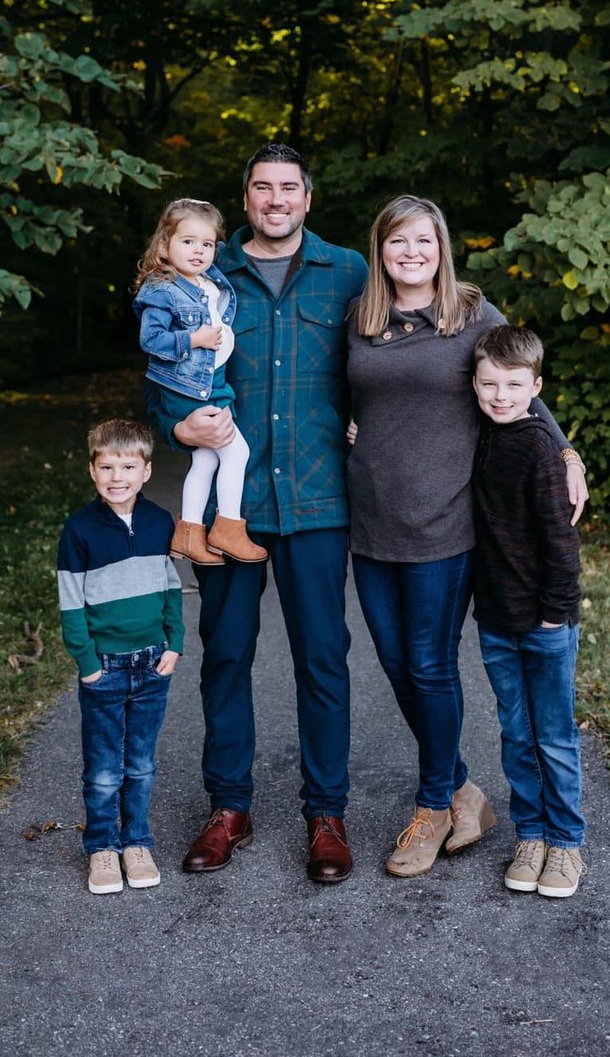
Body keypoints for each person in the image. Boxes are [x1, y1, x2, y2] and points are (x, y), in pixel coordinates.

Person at [345, 195, 586, 878]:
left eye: (424, 240)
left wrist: (566, 455)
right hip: (373, 522)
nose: (411, 252)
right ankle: (461, 788)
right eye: (398, 241)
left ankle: (434, 805)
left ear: (442, 246)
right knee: (395, 664)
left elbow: (523, 389)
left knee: (429, 664)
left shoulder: (473, 314)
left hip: (446, 523)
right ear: (381, 249)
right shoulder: (361, 318)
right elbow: (349, 397)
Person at [145, 143, 368, 883]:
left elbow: (444, 332)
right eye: (262, 188)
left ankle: (326, 813)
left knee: (324, 658)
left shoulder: (349, 272)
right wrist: (175, 426)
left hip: (316, 498)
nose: (276, 199)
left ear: (308, 196)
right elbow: (163, 369)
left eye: (289, 188)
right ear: (246, 200)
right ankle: (229, 807)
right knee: (228, 652)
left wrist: (557, 442)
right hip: (229, 511)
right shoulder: (204, 270)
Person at [471, 324, 586, 898]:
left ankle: (566, 844)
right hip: (495, 619)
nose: (500, 395)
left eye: (514, 385)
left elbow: (561, 542)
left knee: (554, 737)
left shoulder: (541, 449)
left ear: (535, 386)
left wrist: (555, 614)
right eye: (489, 383)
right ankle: (531, 834)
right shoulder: (482, 434)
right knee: (516, 735)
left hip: (544, 622)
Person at [56, 419, 184, 895]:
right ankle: (102, 849)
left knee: (142, 764)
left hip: (153, 662)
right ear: (92, 470)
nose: (117, 477)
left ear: (146, 471)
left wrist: (175, 642)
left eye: (128, 467)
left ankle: (136, 842)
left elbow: (172, 587)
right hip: (104, 668)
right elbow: (71, 603)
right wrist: (86, 661)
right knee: (105, 768)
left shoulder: (158, 523)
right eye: (107, 466)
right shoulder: (80, 529)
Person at [133, 197, 267, 566]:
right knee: (236, 453)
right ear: (164, 246)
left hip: (210, 382)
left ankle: (189, 533)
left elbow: (221, 254)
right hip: (190, 388)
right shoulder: (163, 289)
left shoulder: (206, 280)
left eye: (207, 244)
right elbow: (152, 340)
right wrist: (196, 339)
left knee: (207, 459)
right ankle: (228, 528)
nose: (199, 250)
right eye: (187, 241)